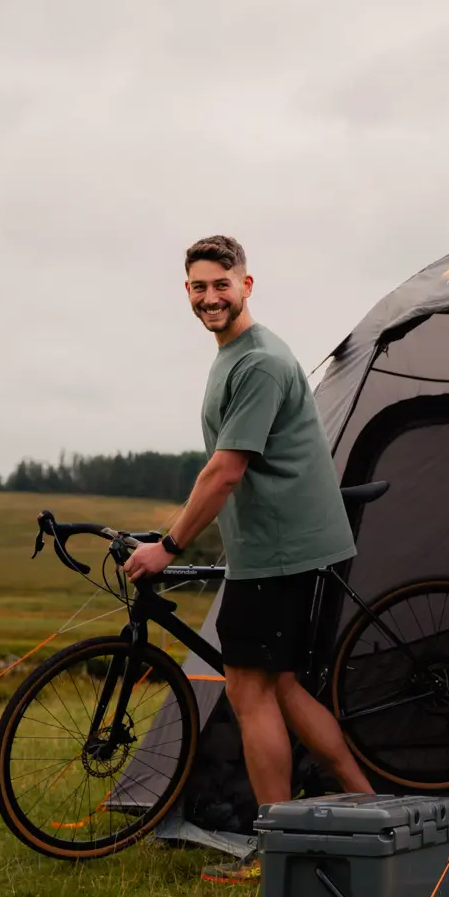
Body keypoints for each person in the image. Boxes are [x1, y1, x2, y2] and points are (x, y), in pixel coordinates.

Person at [124, 235, 374, 828]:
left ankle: (275, 843)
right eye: (199, 287)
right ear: (187, 290)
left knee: (249, 692)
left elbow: (225, 470)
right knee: (281, 686)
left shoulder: (259, 362)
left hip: (277, 551)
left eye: (222, 285)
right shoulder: (236, 353)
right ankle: (369, 802)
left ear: (246, 285)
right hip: (276, 546)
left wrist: (168, 546)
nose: (210, 297)